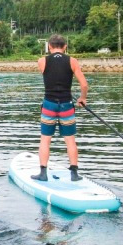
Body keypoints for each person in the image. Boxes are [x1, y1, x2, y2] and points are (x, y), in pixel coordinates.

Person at [33, 34, 90, 181]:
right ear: (65, 47)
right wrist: (82, 98)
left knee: (45, 139)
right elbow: (84, 84)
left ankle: (43, 173)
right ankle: (74, 174)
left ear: (49, 47)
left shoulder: (42, 61)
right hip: (66, 105)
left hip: (49, 104)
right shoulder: (72, 61)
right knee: (70, 139)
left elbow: (52, 75)